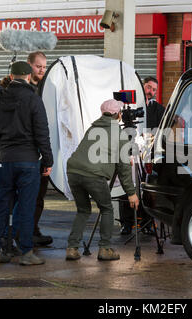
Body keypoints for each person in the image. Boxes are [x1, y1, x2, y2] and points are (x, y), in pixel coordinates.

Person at [0, 61, 53, 265]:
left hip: (5, 160)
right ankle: (26, 253)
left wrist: (0, 157)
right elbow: (42, 133)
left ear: (12, 75)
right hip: (28, 161)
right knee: (25, 206)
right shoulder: (33, 99)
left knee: (0, 205)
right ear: (27, 76)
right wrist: (47, 160)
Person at [65, 99, 139, 261]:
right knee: (107, 209)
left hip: (73, 170)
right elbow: (124, 167)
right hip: (93, 175)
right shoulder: (118, 133)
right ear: (117, 114)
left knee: (83, 210)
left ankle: (72, 248)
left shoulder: (93, 128)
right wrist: (131, 193)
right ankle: (105, 248)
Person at [119, 76, 165, 236]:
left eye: (153, 89)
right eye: (148, 87)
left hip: (148, 154)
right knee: (126, 185)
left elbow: (161, 132)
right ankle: (126, 223)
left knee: (146, 187)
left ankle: (147, 222)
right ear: (142, 87)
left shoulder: (159, 110)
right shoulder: (131, 107)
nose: (150, 91)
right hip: (130, 150)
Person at [26, 51, 53, 247]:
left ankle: (32, 230)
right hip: (27, 155)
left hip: (40, 153)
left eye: (44, 67)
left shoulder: (48, 89)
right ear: (29, 65)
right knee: (25, 196)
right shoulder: (25, 91)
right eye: (38, 66)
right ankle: (23, 233)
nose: (42, 70)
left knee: (39, 195)